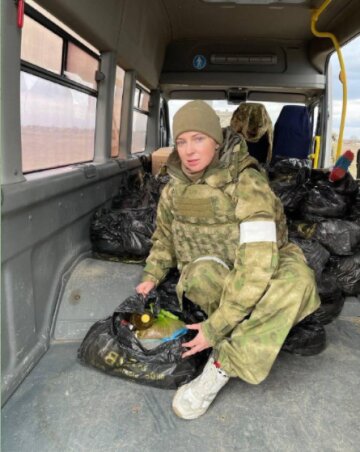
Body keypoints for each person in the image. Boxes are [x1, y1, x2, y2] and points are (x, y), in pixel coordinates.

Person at [136, 100, 320, 420]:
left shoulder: (247, 184)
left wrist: (215, 328)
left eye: (199, 139)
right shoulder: (173, 189)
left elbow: (258, 264)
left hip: (262, 259)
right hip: (211, 263)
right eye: (181, 141)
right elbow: (164, 238)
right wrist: (152, 273)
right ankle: (258, 330)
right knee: (200, 276)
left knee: (298, 283)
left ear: (217, 141)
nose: (189, 150)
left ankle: (220, 368)